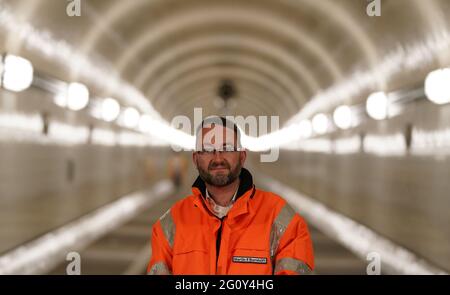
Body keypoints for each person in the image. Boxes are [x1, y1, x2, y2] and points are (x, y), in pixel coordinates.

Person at [147, 116, 314, 275]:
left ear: (242, 156)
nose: (218, 158)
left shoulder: (281, 219)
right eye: (207, 150)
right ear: (195, 159)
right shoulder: (170, 225)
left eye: (227, 148)